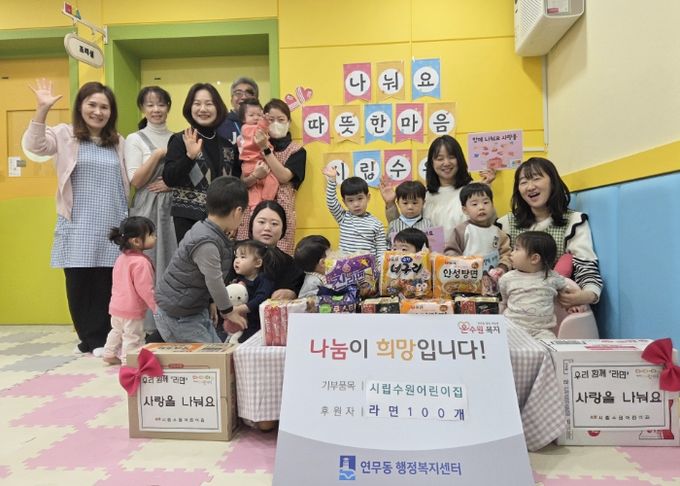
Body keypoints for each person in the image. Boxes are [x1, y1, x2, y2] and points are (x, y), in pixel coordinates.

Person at [23, 79, 128, 356]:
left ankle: (105, 338)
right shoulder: (64, 134)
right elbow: (35, 146)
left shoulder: (118, 142)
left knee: (108, 282)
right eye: (92, 105)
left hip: (112, 223)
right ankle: (90, 338)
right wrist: (42, 110)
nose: (98, 112)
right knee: (79, 282)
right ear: (80, 106)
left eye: (104, 107)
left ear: (111, 112)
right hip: (78, 222)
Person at [497, 157, 603, 307]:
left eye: (536, 178)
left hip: (556, 306)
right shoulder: (505, 224)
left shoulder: (574, 221)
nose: (530, 187)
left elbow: (586, 268)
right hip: (515, 306)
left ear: (553, 182)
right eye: (523, 182)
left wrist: (587, 295)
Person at [154, 176, 248, 343]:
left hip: (191, 309)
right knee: (211, 357)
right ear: (238, 211)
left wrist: (211, 301)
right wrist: (228, 311)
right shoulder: (207, 242)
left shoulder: (206, 230)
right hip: (179, 315)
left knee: (219, 352)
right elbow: (214, 280)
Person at [124, 86, 176, 340]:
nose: (156, 109)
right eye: (150, 105)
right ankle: (148, 326)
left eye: (161, 104)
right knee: (148, 264)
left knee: (173, 260)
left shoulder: (177, 137)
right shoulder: (135, 139)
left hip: (173, 206)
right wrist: (157, 154)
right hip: (147, 208)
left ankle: (173, 323)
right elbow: (136, 180)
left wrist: (171, 183)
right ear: (142, 109)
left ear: (168, 107)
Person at [381, 135, 494, 244]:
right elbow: (401, 229)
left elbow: (489, 222)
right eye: (440, 159)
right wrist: (390, 204)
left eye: (451, 157)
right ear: (431, 163)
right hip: (430, 256)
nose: (446, 163)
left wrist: (485, 191)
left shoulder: (472, 191)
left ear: (459, 159)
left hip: (468, 255)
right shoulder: (424, 195)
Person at [163, 83, 239, 243]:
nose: (203, 109)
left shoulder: (227, 145)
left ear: (218, 107)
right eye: (197, 103)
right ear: (189, 108)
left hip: (222, 221)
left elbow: (234, 185)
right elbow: (169, 179)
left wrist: (233, 219)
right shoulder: (180, 140)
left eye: (209, 104)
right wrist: (189, 156)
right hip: (189, 222)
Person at [236, 99, 306, 255]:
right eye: (271, 119)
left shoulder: (296, 150)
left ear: (289, 122)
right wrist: (255, 176)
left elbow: (284, 177)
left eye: (281, 119)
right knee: (249, 257)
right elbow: (242, 182)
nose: (275, 124)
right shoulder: (250, 146)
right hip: (251, 213)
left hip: (281, 214)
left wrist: (265, 149)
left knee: (278, 259)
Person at [102, 216, 157, 365]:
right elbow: (146, 289)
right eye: (151, 235)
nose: (155, 237)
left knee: (116, 331)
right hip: (132, 309)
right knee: (133, 337)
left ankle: (109, 353)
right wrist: (155, 306)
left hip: (116, 306)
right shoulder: (141, 263)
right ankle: (129, 361)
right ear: (136, 241)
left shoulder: (121, 258)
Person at [499, 231, 569, 340]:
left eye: (517, 249)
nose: (511, 253)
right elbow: (503, 302)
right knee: (503, 344)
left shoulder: (552, 277)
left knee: (550, 346)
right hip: (512, 327)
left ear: (534, 258)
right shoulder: (507, 278)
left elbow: (568, 292)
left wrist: (576, 305)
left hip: (542, 331)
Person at [323, 166, 387, 262]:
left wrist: (379, 269)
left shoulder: (377, 224)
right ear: (344, 202)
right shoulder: (343, 217)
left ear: (368, 197)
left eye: (360, 198)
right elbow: (331, 201)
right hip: (346, 268)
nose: (356, 204)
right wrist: (332, 180)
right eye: (350, 200)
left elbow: (381, 251)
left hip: (368, 269)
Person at [444, 182, 512, 274]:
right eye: (475, 204)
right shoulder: (461, 230)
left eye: (485, 202)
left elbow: (506, 254)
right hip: (468, 277)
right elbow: (451, 252)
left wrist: (502, 267)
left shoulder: (498, 232)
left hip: (493, 278)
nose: (481, 207)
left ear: (492, 205)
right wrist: (461, 265)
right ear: (465, 210)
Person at [248, 200, 305, 299]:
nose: (267, 228)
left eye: (274, 224)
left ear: (283, 229)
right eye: (261, 222)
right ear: (251, 224)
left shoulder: (290, 263)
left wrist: (292, 293)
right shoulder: (236, 252)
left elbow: (302, 288)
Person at [227, 240, 281, 343]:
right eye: (236, 257)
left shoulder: (264, 279)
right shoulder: (238, 280)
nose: (237, 261)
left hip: (260, 326)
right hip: (242, 325)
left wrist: (241, 309)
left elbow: (261, 298)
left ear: (258, 263)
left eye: (243, 257)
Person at [236, 99, 279, 208]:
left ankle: (258, 203)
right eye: (251, 115)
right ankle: (266, 201)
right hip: (252, 163)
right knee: (272, 181)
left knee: (258, 187)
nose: (256, 117)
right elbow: (258, 135)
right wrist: (264, 121)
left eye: (259, 115)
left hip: (257, 163)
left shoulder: (257, 127)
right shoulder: (246, 129)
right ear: (243, 119)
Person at [385, 180, 433, 249]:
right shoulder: (393, 225)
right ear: (398, 203)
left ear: (423, 203)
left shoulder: (428, 224)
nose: (410, 207)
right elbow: (388, 245)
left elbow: (432, 246)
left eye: (415, 203)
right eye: (405, 203)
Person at [217, 76, 259, 145]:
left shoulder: (263, 123)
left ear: (256, 100)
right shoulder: (220, 123)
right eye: (238, 93)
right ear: (231, 100)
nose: (244, 97)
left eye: (249, 93)